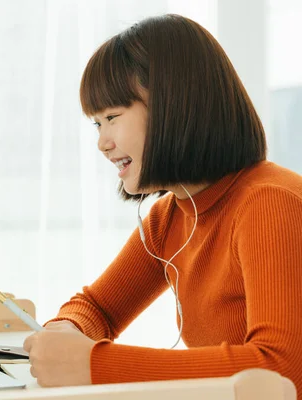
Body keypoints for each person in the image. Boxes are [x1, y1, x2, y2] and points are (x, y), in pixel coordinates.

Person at [23, 13, 302, 395]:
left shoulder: (269, 204)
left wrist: (93, 363)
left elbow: (282, 368)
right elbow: (98, 307)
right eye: (96, 124)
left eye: (112, 117)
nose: (102, 142)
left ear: (174, 107)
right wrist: (66, 333)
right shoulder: (170, 216)